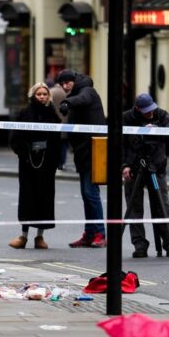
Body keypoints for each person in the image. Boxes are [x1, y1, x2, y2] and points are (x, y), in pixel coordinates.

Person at [122, 94, 169, 258]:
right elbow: (120, 144)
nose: (150, 113)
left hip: (156, 166)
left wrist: (156, 131)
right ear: (137, 109)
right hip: (134, 167)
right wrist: (124, 166)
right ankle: (139, 245)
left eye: (152, 109)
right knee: (134, 208)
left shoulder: (162, 115)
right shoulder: (127, 118)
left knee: (162, 206)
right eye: (146, 111)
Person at [56, 69, 107, 248]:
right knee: (87, 195)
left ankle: (100, 233)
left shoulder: (87, 90)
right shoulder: (78, 92)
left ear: (74, 80)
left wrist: (67, 102)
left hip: (93, 150)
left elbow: (83, 100)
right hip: (83, 150)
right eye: (62, 84)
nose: (65, 86)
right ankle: (90, 233)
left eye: (67, 82)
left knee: (91, 193)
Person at [8, 83, 62, 249]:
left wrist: (54, 159)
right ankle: (23, 236)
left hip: (47, 162)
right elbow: (15, 137)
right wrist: (24, 154)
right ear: (33, 95)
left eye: (45, 94)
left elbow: (57, 140)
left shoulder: (53, 114)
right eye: (39, 94)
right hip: (28, 162)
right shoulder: (25, 112)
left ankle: (40, 237)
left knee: (44, 198)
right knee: (27, 198)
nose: (42, 97)